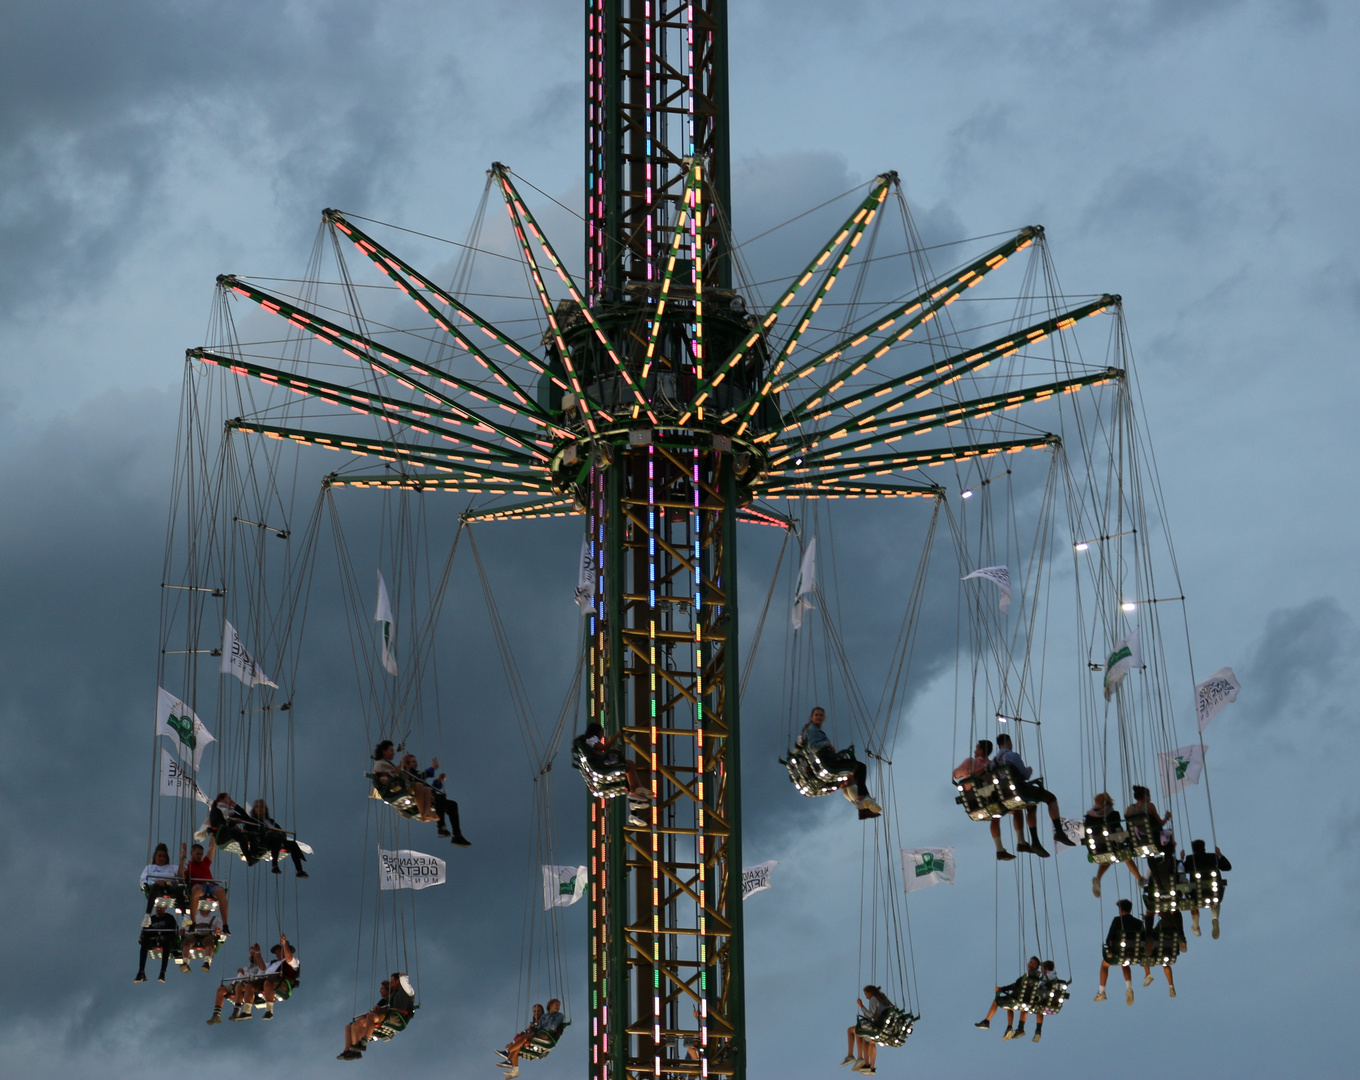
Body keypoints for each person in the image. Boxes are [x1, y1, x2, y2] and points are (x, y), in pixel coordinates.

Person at [992, 733, 1074, 856]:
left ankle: (1035, 842)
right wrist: (1029, 770)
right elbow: (1026, 775)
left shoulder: (993, 762)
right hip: (1020, 790)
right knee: (1051, 799)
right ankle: (1058, 831)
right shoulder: (1012, 756)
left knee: (1032, 806)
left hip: (1003, 794)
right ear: (1008, 742)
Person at [798, 708, 881, 819]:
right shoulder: (812, 729)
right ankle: (862, 798)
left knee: (848, 778)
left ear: (823, 718)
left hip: (826, 760)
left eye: (821, 715)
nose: (818, 717)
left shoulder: (811, 730)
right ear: (812, 717)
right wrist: (827, 744)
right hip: (827, 761)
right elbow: (813, 746)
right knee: (859, 767)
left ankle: (862, 806)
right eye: (816, 715)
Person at [580, 722, 652, 826]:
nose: (602, 735)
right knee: (629, 764)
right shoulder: (592, 739)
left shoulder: (588, 742)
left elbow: (602, 751)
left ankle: (634, 813)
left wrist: (615, 750)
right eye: (601, 732)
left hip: (601, 763)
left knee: (626, 777)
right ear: (596, 732)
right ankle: (635, 792)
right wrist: (616, 736)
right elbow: (604, 747)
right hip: (602, 766)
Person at [955, 739, 1013, 860]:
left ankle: (1000, 850)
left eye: (976, 748)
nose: (975, 750)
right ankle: (1001, 848)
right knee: (997, 816)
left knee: (995, 815)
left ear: (981, 750)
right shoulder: (992, 765)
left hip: (973, 801)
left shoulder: (970, 762)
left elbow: (955, 775)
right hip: (990, 798)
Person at [401, 753, 471, 846]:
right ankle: (441, 827)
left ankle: (457, 835)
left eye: (416, 762)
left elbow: (426, 786)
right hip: (418, 797)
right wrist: (432, 769)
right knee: (440, 799)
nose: (415, 764)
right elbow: (417, 780)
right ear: (407, 762)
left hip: (429, 797)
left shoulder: (415, 775)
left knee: (452, 804)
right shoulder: (406, 774)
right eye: (413, 762)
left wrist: (438, 781)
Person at [339, 972, 415, 1059]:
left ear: (398, 981)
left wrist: (403, 977)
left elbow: (405, 984)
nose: (392, 985)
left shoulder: (406, 992)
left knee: (370, 1017)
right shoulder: (390, 997)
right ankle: (350, 1050)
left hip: (394, 1017)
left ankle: (363, 1041)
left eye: (393, 982)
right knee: (352, 1025)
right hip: (386, 1015)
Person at [1088, 792, 1144, 897]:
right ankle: (1140, 879)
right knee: (1127, 857)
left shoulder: (1089, 816)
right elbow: (1117, 829)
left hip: (1098, 846)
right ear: (1109, 802)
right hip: (1113, 843)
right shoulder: (1114, 814)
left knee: (1106, 860)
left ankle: (1098, 878)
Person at [973, 956, 1039, 1039]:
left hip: (1017, 1000)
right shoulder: (1034, 977)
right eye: (1030, 962)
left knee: (996, 1001)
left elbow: (1014, 986)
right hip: (1024, 1001)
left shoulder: (1029, 976)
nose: (1031, 964)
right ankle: (1010, 1027)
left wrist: (1002, 989)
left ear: (1037, 967)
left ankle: (987, 1021)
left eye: (1034, 964)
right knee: (1009, 1006)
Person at [498, 998, 566, 1077]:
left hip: (548, 1035)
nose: (558, 1007)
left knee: (524, 1038)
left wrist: (540, 1031)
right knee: (518, 1043)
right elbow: (539, 1027)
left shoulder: (559, 1015)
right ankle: (514, 1068)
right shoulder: (544, 1016)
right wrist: (532, 1029)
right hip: (540, 1034)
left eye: (559, 1005)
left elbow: (552, 1026)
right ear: (550, 1005)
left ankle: (508, 1053)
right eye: (556, 1004)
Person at [1095, 898, 1144, 1005]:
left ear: (1121, 910)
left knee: (1104, 965)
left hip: (1119, 952)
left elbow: (1109, 938)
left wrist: (1110, 948)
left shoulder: (1117, 920)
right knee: (1125, 963)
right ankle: (1129, 988)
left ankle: (1102, 992)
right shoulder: (1139, 922)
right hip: (1134, 953)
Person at [1182, 839, 1232, 938]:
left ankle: (1196, 927)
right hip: (1214, 891)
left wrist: (1181, 858)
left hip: (1196, 893)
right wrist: (1220, 854)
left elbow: (1181, 870)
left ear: (1193, 850)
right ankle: (1215, 918)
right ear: (1204, 848)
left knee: (1192, 902)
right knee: (1215, 898)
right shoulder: (1213, 857)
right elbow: (1227, 867)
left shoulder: (1190, 859)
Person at [207, 942, 266, 1023]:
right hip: (237, 983)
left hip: (248, 985)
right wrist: (231, 985)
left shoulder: (260, 967)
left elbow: (257, 978)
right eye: (251, 953)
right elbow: (237, 979)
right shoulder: (246, 967)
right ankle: (216, 1015)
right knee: (220, 990)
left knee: (239, 986)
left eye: (254, 953)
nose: (252, 955)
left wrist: (244, 974)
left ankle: (236, 1011)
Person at [248, 799, 309, 877]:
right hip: (264, 839)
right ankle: (274, 865)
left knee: (292, 844)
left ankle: (299, 870)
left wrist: (281, 834)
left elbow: (280, 830)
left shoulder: (271, 821)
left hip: (277, 838)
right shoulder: (253, 821)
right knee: (275, 836)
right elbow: (251, 831)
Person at [842, 985, 893, 1074]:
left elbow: (870, 1015)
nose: (866, 997)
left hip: (877, 1026)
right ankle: (870, 1067)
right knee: (870, 1041)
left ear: (870, 992)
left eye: (866, 994)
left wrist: (861, 1005)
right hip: (885, 1026)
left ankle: (852, 1056)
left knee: (852, 1030)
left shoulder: (873, 999)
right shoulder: (882, 998)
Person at [186, 839, 230, 935]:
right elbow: (182, 878)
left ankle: (225, 925)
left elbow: (212, 848)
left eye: (201, 854)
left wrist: (213, 834)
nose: (200, 856)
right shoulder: (188, 867)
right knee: (196, 890)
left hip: (210, 885)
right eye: (197, 854)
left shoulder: (204, 863)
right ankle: (193, 922)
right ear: (192, 853)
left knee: (221, 891)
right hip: (199, 886)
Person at [256, 933, 300, 1018]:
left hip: (283, 984)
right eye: (276, 952)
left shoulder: (293, 961)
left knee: (267, 983)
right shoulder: (273, 963)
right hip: (268, 982)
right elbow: (262, 967)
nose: (277, 953)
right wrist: (257, 952)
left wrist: (284, 944)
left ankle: (269, 1010)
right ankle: (244, 1009)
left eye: (280, 951)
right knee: (250, 985)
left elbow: (289, 958)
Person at [209, 793, 260, 863]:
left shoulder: (230, 812)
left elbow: (246, 818)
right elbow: (220, 824)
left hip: (231, 833)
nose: (229, 800)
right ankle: (249, 857)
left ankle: (252, 856)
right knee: (243, 836)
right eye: (227, 798)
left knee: (252, 835)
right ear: (221, 799)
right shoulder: (216, 810)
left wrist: (236, 807)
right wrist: (233, 823)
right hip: (222, 835)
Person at [177, 894, 224, 973]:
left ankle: (207, 962)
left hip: (208, 936)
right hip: (195, 936)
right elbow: (186, 930)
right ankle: (185, 962)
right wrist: (182, 934)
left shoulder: (216, 920)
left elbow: (222, 935)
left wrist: (219, 934)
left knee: (209, 941)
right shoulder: (193, 918)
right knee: (187, 941)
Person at [139, 841, 186, 913]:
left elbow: (181, 877)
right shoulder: (149, 868)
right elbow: (143, 880)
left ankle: (184, 915)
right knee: (155, 887)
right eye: (159, 856)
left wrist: (181, 859)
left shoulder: (171, 868)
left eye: (163, 856)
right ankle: (148, 914)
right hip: (155, 889)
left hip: (169, 888)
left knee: (179, 889)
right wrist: (154, 883)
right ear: (155, 856)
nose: (161, 858)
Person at [135, 909, 180, 983]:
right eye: (158, 908)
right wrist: (142, 937)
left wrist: (163, 936)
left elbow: (174, 931)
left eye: (161, 908)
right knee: (144, 943)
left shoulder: (169, 918)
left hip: (166, 939)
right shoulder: (152, 919)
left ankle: (162, 972)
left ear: (164, 909)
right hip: (154, 939)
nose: (159, 910)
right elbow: (146, 932)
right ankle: (141, 971)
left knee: (166, 944)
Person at [1124, 785, 1168, 852]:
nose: (1150, 799)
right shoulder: (1150, 806)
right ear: (1145, 796)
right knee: (1168, 836)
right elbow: (1160, 823)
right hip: (1153, 837)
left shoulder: (1128, 810)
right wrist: (1167, 817)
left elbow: (1128, 827)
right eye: (1149, 796)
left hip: (1136, 839)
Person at [1026, 960, 1060, 1043]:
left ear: (1046, 969)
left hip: (1044, 996)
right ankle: (1038, 1031)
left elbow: (1043, 984)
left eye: (1042, 968)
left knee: (1032, 1002)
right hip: (1049, 999)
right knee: (1040, 1011)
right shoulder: (1054, 976)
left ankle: (1024, 1027)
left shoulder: (1049, 976)